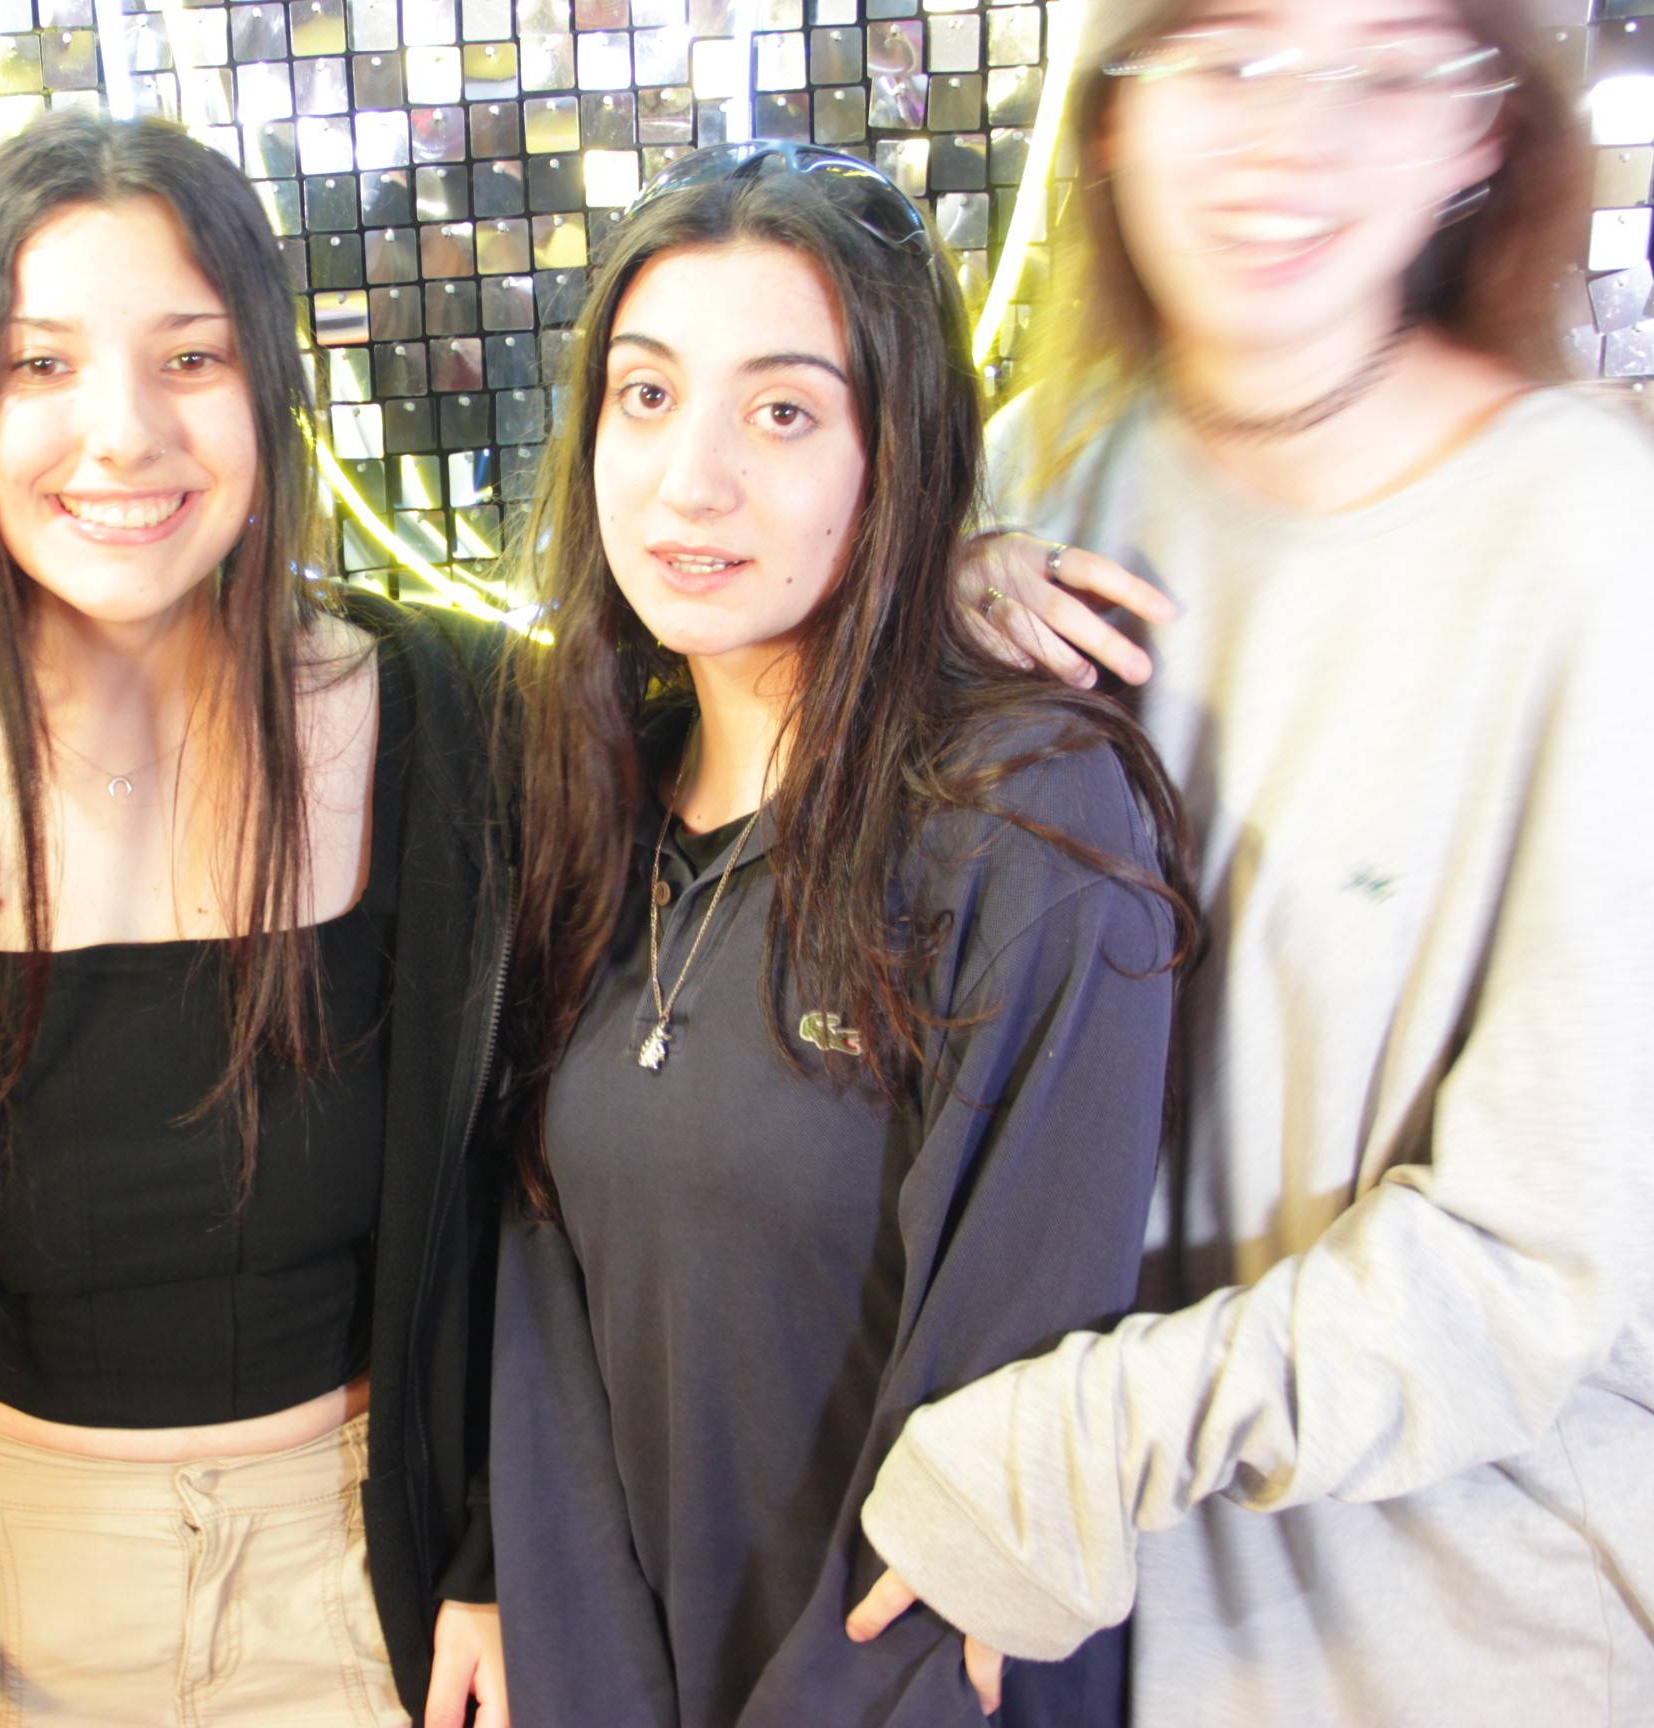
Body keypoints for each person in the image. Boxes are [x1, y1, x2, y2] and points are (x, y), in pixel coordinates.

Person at [849, 2, 1654, 1723]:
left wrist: (1065, 1447)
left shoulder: (1596, 546)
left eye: (1387, 70)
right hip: (1069, 1628)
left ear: (1483, 134)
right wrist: (922, 625)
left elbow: (1530, 1263)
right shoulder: (1046, 467)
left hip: (1443, 1630)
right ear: (1116, 117)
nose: (1293, 139)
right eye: (1229, 59)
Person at [0, 113, 513, 1728]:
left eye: (190, 358)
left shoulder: (469, 725)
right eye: (41, 365)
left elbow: (553, 1194)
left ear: (268, 388)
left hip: (376, 1589)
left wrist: (959, 587)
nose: (123, 435)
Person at [485, 142, 1196, 1728]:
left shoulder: (1025, 820)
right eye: (648, 395)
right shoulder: (585, 806)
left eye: (784, 413)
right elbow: (543, 1345)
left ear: (902, 450)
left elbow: (1000, 1428)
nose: (692, 481)